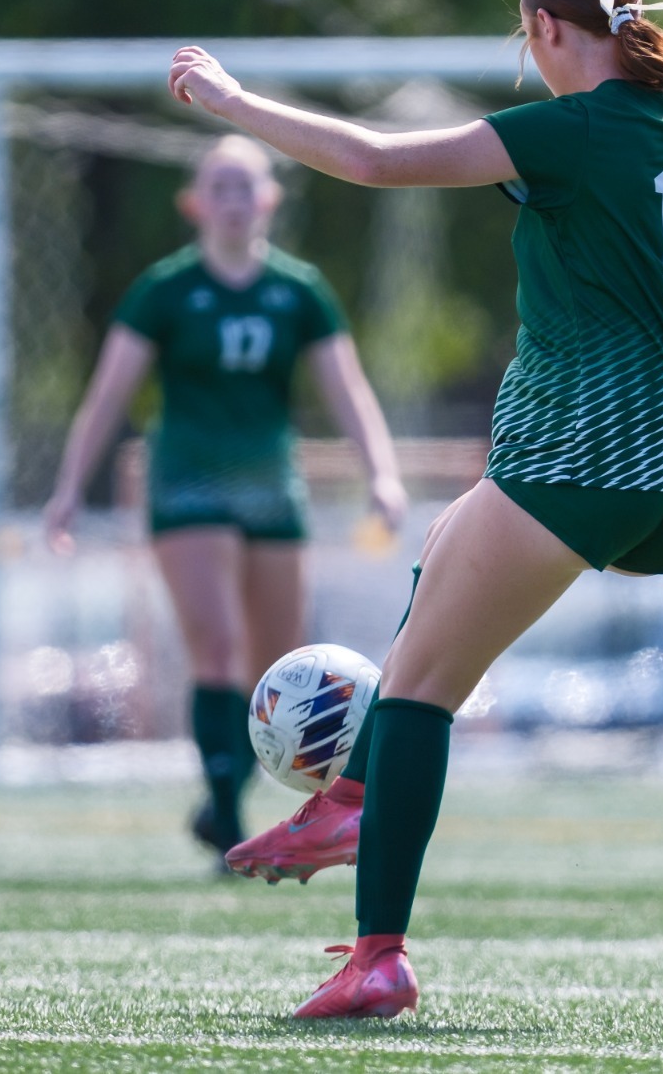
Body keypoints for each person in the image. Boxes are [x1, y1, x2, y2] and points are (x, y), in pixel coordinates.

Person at [169, 0, 663, 1017]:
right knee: (447, 539)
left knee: (417, 695)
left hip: (587, 456)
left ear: (541, 28)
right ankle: (351, 794)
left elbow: (376, 160)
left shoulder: (573, 128)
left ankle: (377, 950)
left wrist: (234, 101)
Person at [43, 135, 407, 862]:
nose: (235, 200)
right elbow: (109, 393)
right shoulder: (166, 290)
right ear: (196, 204)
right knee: (216, 646)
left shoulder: (299, 289)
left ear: (269, 199)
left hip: (271, 483)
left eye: (248, 187)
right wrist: (67, 490)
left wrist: (383, 473)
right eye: (221, 187)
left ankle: (227, 797)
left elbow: (347, 387)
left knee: (276, 663)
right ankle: (226, 805)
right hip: (188, 482)